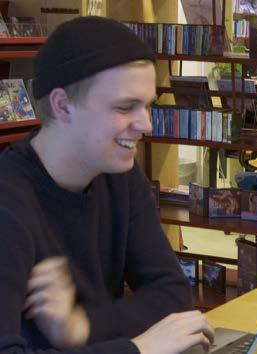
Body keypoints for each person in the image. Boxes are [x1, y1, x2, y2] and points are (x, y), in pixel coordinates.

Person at [0, 16, 214, 353]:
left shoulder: (119, 175)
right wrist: (139, 348)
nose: (146, 125)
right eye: (125, 107)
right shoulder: (8, 203)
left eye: (148, 106)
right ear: (62, 105)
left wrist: (81, 327)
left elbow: (172, 293)